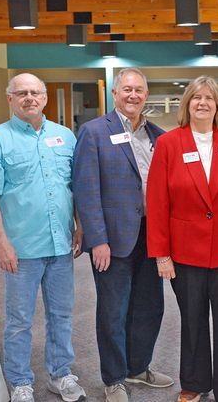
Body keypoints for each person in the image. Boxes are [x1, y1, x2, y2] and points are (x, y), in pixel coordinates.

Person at [146, 75, 218, 402]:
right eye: (196, 97)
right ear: (187, 104)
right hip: (185, 254)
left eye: (209, 98)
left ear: (217, 106)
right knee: (193, 321)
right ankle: (195, 383)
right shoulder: (170, 144)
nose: (202, 103)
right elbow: (157, 202)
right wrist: (161, 254)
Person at [0, 73, 86, 402]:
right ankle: (21, 382)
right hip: (21, 249)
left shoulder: (66, 137)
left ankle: (61, 374)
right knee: (20, 319)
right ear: (9, 99)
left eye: (35, 92)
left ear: (45, 98)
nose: (29, 98)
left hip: (61, 245)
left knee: (62, 314)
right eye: (21, 93)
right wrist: (1, 244)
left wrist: (80, 225)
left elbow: (74, 187)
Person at [72, 68, 173, 402]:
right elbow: (86, 190)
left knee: (150, 305)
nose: (133, 95)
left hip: (151, 234)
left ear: (146, 95)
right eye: (127, 89)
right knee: (113, 310)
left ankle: (137, 367)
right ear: (115, 93)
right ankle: (114, 378)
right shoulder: (94, 132)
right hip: (112, 238)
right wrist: (96, 239)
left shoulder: (158, 134)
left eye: (139, 90)